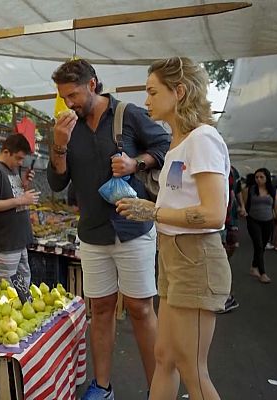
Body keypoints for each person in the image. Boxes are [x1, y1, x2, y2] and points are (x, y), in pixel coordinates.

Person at [47, 59, 170, 399]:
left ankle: (158, 389)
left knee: (141, 309)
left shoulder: (128, 114)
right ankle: (102, 387)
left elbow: (165, 146)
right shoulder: (64, 127)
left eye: (73, 94)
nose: (68, 103)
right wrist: (59, 143)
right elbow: (57, 181)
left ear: (92, 84)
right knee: (100, 309)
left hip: (133, 228)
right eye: (63, 96)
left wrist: (136, 162)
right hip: (93, 233)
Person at [116, 57, 231, 400]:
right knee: (164, 357)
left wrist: (155, 211)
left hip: (195, 259)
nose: (146, 101)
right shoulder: (180, 144)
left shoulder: (202, 139)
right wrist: (155, 211)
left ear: (178, 91)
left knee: (192, 369)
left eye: (152, 92)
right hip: (173, 256)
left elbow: (214, 214)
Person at [0, 134, 39, 284]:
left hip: (18, 241)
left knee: (22, 288)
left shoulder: (11, 169)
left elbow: (12, 196)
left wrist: (24, 184)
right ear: (6, 152)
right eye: (18, 158)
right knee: (5, 291)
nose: (20, 163)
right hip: (3, 244)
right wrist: (21, 200)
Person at [241, 168, 277, 284]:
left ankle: (254, 266)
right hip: (253, 220)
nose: (259, 180)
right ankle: (263, 273)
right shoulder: (250, 189)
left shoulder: (273, 191)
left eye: (261, 177)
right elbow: (244, 203)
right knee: (258, 245)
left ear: (267, 178)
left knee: (262, 246)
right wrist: (243, 210)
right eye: (256, 177)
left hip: (268, 221)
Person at [217, 165, 241, 314]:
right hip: (220, 222)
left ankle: (224, 298)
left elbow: (231, 195)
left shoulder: (228, 170)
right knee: (220, 261)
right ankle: (224, 297)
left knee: (218, 261)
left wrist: (231, 223)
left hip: (218, 224)